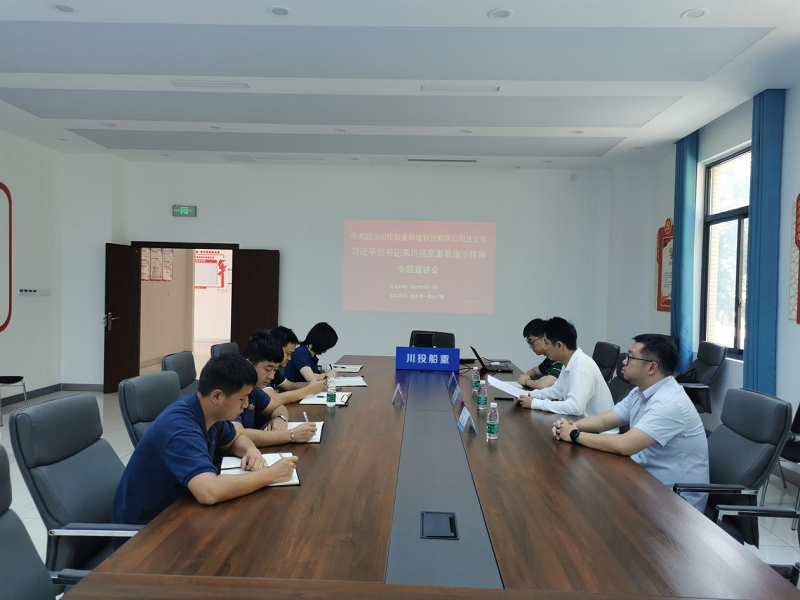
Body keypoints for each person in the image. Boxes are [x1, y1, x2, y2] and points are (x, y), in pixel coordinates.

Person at [113, 354, 298, 525]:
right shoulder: (181, 429)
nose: (246, 405)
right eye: (242, 398)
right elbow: (209, 491)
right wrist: (271, 474)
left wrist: (252, 451)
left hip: (181, 508)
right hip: (146, 531)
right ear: (217, 396)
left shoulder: (208, 412)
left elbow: (236, 439)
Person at [551, 334, 709, 512]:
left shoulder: (670, 402)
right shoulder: (640, 391)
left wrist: (574, 435)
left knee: (586, 501)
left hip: (675, 503)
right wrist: (570, 425)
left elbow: (625, 445)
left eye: (630, 357)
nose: (624, 362)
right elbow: (604, 420)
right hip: (643, 480)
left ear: (652, 367)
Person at [519, 317, 613, 418]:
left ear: (559, 345)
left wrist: (535, 403)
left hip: (596, 427)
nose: (545, 347)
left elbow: (575, 407)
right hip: (578, 422)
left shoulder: (582, 366)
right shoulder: (568, 363)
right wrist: (531, 395)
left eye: (546, 343)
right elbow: (556, 391)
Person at [235, 330, 317, 444]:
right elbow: (237, 435)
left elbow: (278, 407)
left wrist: (280, 419)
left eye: (275, 370)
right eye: (268, 369)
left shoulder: (254, 389)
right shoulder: (233, 389)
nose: (272, 376)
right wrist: (291, 435)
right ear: (249, 364)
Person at [267, 326, 326, 401]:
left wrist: (315, 384)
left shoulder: (274, 369)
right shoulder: (263, 369)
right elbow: (274, 398)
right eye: (288, 353)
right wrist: (309, 389)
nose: (289, 358)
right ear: (277, 348)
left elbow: (290, 386)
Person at [518, 318, 562, 391]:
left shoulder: (561, 360)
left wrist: (526, 381)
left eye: (531, 341)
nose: (530, 346)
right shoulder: (550, 359)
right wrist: (527, 377)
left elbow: (543, 385)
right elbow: (534, 372)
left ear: (545, 339)